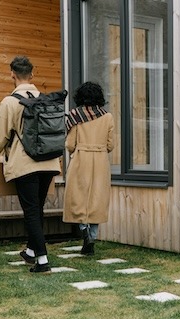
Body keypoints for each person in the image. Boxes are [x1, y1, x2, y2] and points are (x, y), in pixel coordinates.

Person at [0, 55, 61, 274]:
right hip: (49, 163)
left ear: (12, 74)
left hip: (25, 164)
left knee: (31, 211)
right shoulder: (46, 99)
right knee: (37, 208)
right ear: (32, 74)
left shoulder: (10, 102)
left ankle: (43, 260)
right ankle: (30, 251)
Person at [62, 82, 114, 255]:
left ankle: (84, 230)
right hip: (100, 160)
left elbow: (69, 144)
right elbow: (110, 145)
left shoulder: (75, 115)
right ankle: (92, 236)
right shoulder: (107, 117)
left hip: (81, 158)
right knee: (97, 199)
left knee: (79, 197)